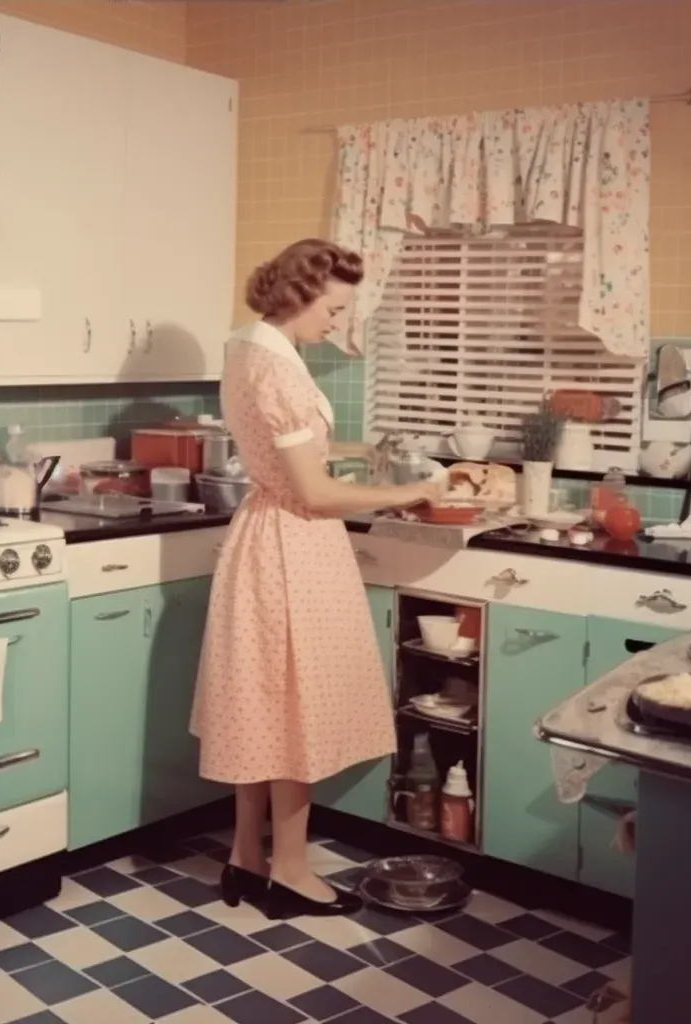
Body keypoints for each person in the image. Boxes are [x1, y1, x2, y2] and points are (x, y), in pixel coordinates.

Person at [189, 238, 446, 918]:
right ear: (298, 296)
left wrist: (361, 456)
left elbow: (291, 456)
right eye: (333, 308)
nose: (338, 321)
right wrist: (410, 492)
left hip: (263, 533)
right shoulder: (279, 372)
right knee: (295, 708)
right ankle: (292, 872)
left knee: (264, 705)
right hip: (294, 545)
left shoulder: (248, 348)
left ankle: (246, 858)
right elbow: (315, 493)